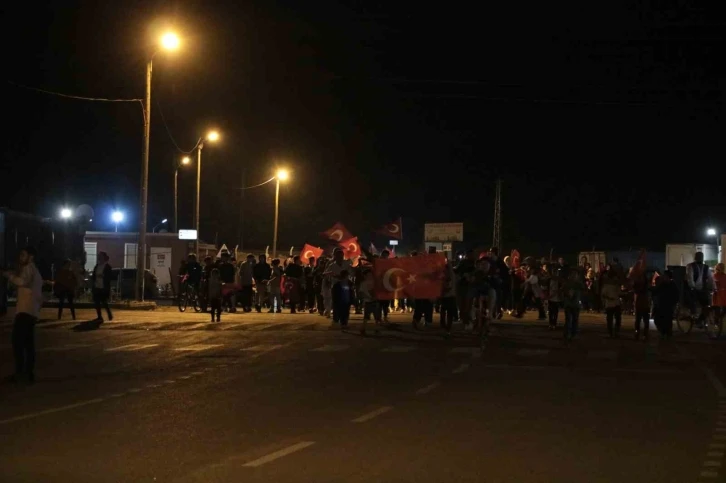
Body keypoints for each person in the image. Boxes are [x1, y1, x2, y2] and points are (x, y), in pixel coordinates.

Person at [2, 246, 43, 383]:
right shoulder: (34, 270)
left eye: (23, 255)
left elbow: (22, 281)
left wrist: (9, 276)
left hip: (26, 311)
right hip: (30, 311)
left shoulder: (29, 268)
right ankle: (28, 373)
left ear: (30, 257)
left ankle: (21, 372)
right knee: (27, 343)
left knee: (18, 342)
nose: (21, 258)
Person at [686, 251, 714, 325]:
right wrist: (692, 287)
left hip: (702, 289)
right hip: (695, 289)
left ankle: (699, 319)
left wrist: (712, 287)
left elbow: (710, 279)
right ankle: (693, 315)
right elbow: (690, 278)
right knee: (695, 303)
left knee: (706, 306)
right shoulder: (691, 266)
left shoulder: (705, 267)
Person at [653, 269, 679, 338]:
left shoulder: (673, 285)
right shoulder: (662, 284)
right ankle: (663, 332)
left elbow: (676, 296)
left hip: (668, 306)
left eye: (664, 276)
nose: (663, 277)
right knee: (658, 319)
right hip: (661, 306)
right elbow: (656, 291)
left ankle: (667, 334)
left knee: (667, 321)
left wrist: (673, 304)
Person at [562, 270, 584, 341]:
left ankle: (572, 334)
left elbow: (584, 290)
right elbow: (563, 291)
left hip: (575, 304)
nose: (574, 276)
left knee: (574, 319)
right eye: (573, 275)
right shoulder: (567, 283)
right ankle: (568, 334)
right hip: (569, 304)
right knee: (569, 319)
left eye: (575, 275)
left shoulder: (578, 284)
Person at [91, 251, 113, 322]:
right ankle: (99, 316)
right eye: (99, 256)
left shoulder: (107, 267)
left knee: (104, 301)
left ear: (104, 257)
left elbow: (109, 277)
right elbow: (94, 276)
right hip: (97, 286)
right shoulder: (97, 266)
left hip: (103, 286)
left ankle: (109, 313)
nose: (99, 257)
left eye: (100, 256)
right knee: (97, 302)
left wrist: (103, 276)